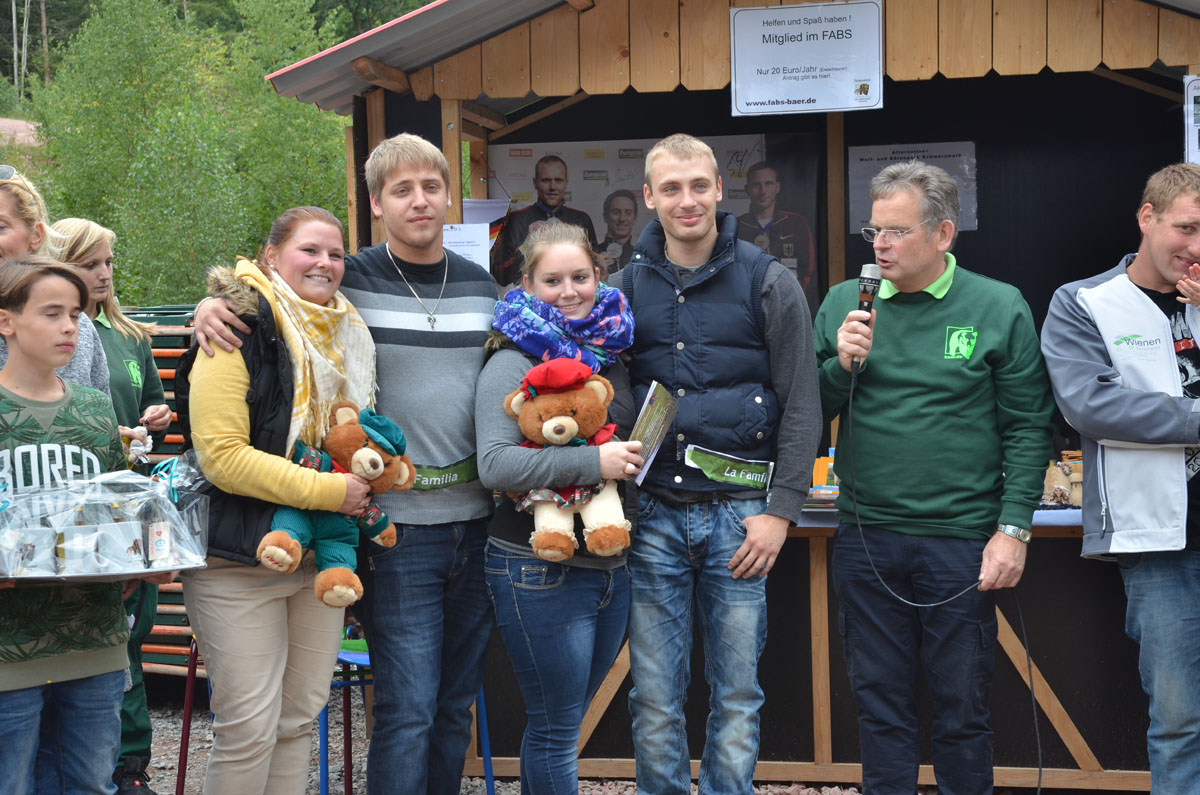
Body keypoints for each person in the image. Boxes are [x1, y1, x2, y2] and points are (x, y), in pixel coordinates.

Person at [192, 133, 498, 795]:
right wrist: (213, 304)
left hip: (476, 523)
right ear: (377, 203)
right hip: (394, 530)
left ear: (450, 197)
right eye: (402, 189)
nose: (420, 200)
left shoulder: (484, 287)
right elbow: (272, 295)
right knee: (407, 707)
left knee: (450, 708)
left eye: (431, 186)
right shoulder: (351, 275)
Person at [813, 160, 1052, 794]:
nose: (880, 246)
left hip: (960, 541)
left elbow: (1030, 426)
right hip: (867, 539)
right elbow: (807, 412)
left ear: (943, 234)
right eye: (873, 231)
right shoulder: (846, 302)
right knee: (879, 704)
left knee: (962, 709)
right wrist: (840, 364)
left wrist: (1014, 529)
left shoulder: (998, 305)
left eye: (895, 232)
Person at [611, 133, 821, 794]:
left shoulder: (770, 279)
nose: (687, 200)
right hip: (653, 520)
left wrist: (781, 511)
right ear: (650, 197)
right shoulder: (622, 287)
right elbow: (608, 397)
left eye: (698, 185)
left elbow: (803, 402)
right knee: (653, 698)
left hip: (742, 520)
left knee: (736, 695)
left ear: (718, 189)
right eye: (670, 188)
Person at [175, 206, 376, 793]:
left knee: (296, 721)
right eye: (309, 249)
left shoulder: (347, 334)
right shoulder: (232, 329)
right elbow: (222, 457)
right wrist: (333, 490)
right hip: (236, 561)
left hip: (317, 555)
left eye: (335, 253)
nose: (325, 263)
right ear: (270, 257)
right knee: (249, 727)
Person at [1040, 162, 1200, 794]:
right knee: (1180, 717)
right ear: (1147, 218)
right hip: (1158, 543)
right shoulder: (1084, 302)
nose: (1197, 247)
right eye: (1186, 228)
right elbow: (1093, 407)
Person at [476, 220, 643, 793]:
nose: (568, 290)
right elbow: (495, 465)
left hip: (610, 564)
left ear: (600, 275)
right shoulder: (513, 357)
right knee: (553, 729)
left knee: (564, 725)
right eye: (552, 280)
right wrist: (594, 465)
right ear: (527, 283)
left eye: (579, 276)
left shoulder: (613, 350)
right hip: (536, 565)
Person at [0, 256, 172, 795]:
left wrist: (149, 558)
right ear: (7, 321)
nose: (70, 327)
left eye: (75, 314)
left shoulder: (98, 411)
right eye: (51, 313)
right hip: (11, 648)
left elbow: (113, 519)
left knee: (92, 785)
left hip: (95, 642)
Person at [49, 218, 172, 795]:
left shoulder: (130, 336)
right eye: (88, 263)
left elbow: (155, 410)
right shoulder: (53, 334)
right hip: (72, 506)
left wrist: (157, 422)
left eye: (107, 263)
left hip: (131, 497)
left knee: (133, 635)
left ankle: (132, 766)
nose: (102, 274)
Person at [0, 167, 109, 395]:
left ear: (36, 235)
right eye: (51, 314)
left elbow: (98, 414)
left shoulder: (76, 327)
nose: (68, 325)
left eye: (1, 227)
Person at [492, 155, 598, 285]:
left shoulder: (582, 220)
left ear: (566, 182)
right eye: (546, 180)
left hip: (570, 297)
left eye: (558, 180)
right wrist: (527, 246)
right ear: (535, 183)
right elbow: (500, 276)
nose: (552, 186)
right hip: (530, 301)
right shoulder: (515, 220)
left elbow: (594, 270)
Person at [735, 161, 817, 310]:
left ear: (777, 187)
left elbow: (808, 270)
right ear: (747, 189)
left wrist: (793, 300)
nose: (763, 191)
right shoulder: (736, 225)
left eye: (768, 184)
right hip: (747, 309)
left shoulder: (795, 223)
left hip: (789, 305)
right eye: (756, 185)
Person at [593, 189, 638, 270]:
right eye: (616, 212)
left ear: (635, 219)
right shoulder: (591, 256)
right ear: (605, 217)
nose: (622, 219)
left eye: (628, 213)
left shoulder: (642, 258)